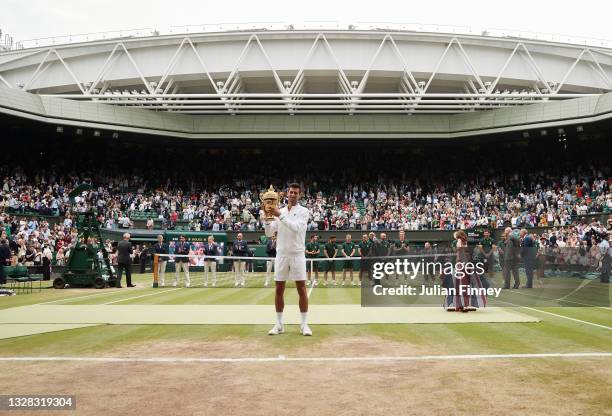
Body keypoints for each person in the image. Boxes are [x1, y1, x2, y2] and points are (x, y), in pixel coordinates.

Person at [262, 182, 312, 336]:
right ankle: (279, 324)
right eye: (290, 192)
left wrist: (278, 214)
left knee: (301, 288)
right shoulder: (280, 210)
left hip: (297, 254)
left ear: (300, 195)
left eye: (295, 193)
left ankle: (304, 325)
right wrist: (266, 219)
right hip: (281, 254)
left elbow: (296, 228)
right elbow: (270, 234)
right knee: (279, 289)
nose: (292, 195)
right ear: (287, 193)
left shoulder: (304, 212)